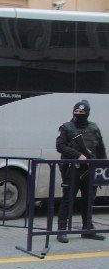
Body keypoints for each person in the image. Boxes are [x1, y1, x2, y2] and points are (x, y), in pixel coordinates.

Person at [56, 100, 107, 243]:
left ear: (87, 113)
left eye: (82, 112)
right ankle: (61, 230)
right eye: (76, 112)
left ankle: (87, 229)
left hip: (90, 170)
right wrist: (78, 155)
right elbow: (60, 146)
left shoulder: (94, 127)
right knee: (68, 200)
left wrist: (103, 166)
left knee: (88, 200)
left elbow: (101, 149)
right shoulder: (66, 127)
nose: (78, 114)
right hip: (73, 169)